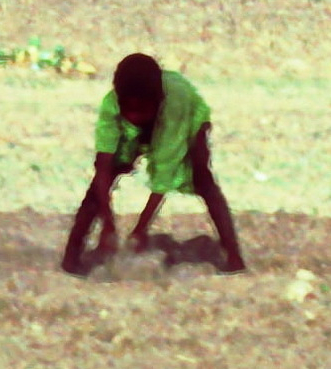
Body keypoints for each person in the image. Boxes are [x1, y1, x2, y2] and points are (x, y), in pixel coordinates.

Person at [62, 51, 241, 275]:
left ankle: (234, 256)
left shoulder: (174, 107)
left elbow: (164, 174)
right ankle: (71, 257)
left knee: (202, 178)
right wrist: (108, 225)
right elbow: (103, 166)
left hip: (187, 116)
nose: (135, 117)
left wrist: (140, 230)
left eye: (142, 111)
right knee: (95, 192)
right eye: (129, 111)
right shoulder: (111, 106)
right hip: (144, 120)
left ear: (157, 102)